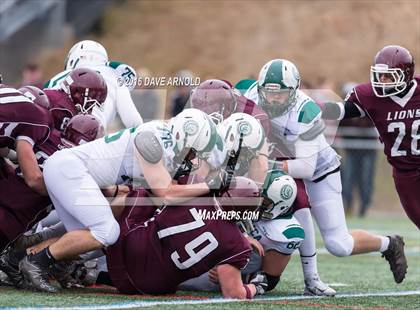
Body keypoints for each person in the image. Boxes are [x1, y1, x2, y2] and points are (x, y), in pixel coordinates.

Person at [18, 109, 230, 293]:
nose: (193, 158)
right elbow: (165, 193)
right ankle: (36, 262)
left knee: (83, 237)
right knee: (106, 231)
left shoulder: (162, 136)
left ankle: (19, 259)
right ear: (184, 136)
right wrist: (209, 185)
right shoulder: (153, 139)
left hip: (73, 171)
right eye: (193, 151)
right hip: (71, 170)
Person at [244, 58, 407, 289]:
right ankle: (285, 275)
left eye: (279, 93)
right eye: (268, 92)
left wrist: (265, 164)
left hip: (317, 169)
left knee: (338, 245)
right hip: (279, 162)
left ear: (294, 91)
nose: (272, 99)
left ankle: (389, 244)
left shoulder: (305, 111)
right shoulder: (250, 95)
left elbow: (305, 169)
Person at [105, 177, 268, 299]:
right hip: (149, 287)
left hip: (120, 252)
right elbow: (234, 295)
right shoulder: (238, 246)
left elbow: (164, 192)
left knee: (140, 194)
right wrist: (254, 287)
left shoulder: (197, 195)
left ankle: (90, 241)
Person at [0, 110, 103, 288]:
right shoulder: (76, 162)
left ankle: (14, 261)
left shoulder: (48, 140)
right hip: (14, 217)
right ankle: (57, 265)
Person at [321, 45, 420, 229]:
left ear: (405, 74)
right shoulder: (370, 96)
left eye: (388, 75)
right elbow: (343, 110)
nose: (382, 80)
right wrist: (317, 108)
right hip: (404, 172)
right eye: (379, 75)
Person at [45, 40, 143, 130]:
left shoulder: (56, 79)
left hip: (50, 134)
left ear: (73, 59)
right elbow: (134, 121)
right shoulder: (114, 76)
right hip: (90, 137)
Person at [338, 83, 378, 217]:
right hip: (351, 152)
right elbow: (340, 128)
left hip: (368, 152)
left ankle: (364, 208)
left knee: (366, 181)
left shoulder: (368, 109)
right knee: (348, 180)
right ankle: (348, 205)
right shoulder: (344, 112)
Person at [45, 68, 108, 132]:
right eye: (90, 103)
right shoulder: (62, 108)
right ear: (76, 92)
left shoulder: (53, 95)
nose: (90, 108)